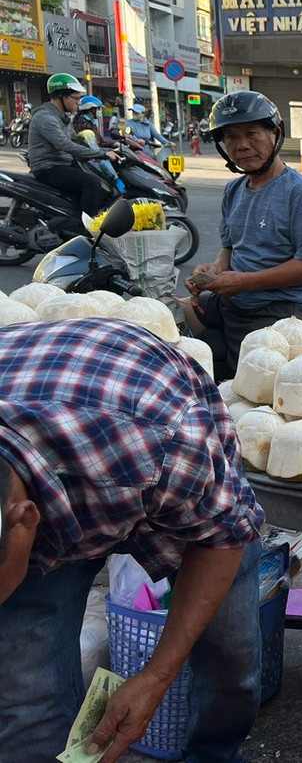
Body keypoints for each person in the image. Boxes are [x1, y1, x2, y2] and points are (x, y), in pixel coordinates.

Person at [0, 318, 265, 763]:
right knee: (24, 691)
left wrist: (158, 676)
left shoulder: (160, 441)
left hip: (136, 439)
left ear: (25, 518)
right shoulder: (11, 523)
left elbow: (221, 538)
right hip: (49, 460)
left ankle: (214, 753)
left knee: (229, 658)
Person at [185, 90, 302, 379]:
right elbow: (229, 247)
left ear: (275, 135)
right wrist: (214, 270)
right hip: (233, 298)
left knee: (246, 387)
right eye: (231, 137)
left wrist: (244, 282)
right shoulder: (233, 190)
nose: (241, 146)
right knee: (166, 316)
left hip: (281, 311)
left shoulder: (301, 194)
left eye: (252, 134)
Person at [26, 73, 120, 215]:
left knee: (105, 187)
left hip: (63, 164)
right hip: (48, 168)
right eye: (76, 98)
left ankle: (73, 217)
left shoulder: (62, 117)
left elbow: (77, 140)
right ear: (61, 96)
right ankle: (86, 229)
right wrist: (103, 154)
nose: (78, 103)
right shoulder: (45, 117)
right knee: (92, 183)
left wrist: (108, 148)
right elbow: (66, 145)